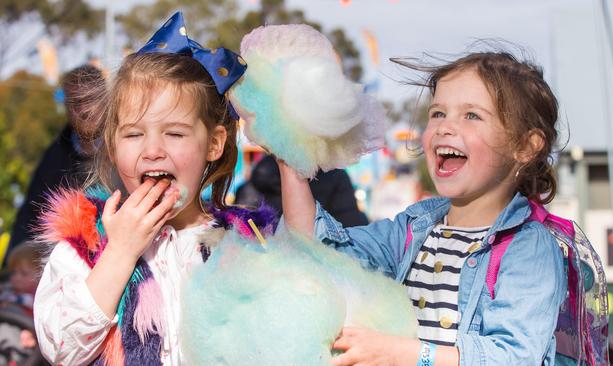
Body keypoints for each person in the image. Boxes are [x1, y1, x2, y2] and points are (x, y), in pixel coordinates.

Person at [279, 52, 569, 365]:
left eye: (471, 115)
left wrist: (400, 353)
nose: (445, 127)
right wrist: (288, 158)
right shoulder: (414, 229)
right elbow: (320, 248)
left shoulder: (528, 247)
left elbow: (513, 356)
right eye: (438, 113)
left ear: (525, 147)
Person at [32, 12, 258, 365]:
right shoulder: (87, 243)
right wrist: (121, 251)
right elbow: (63, 349)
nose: (152, 150)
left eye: (175, 133)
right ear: (111, 146)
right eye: (134, 134)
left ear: (214, 144)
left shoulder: (246, 242)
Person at [8, 65, 106, 253]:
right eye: (76, 102)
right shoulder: (54, 156)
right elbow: (30, 214)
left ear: (106, 99)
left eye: (90, 99)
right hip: (62, 261)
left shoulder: (125, 148)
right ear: (66, 107)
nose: (84, 109)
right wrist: (17, 258)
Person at [235, 155, 368, 227]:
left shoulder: (252, 182)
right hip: (318, 267)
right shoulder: (334, 177)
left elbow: (242, 229)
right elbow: (351, 225)